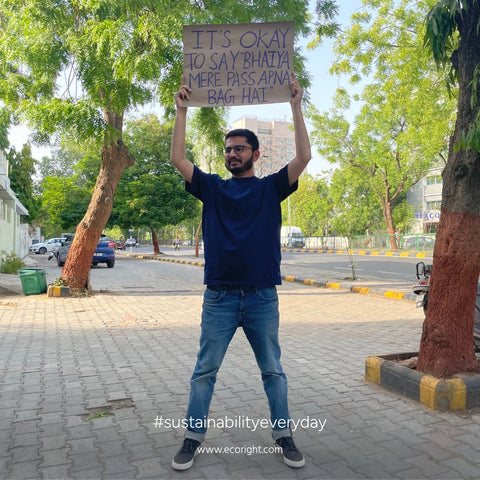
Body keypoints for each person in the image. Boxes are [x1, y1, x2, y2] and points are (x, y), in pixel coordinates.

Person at [169, 73, 311, 471]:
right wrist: (181, 111)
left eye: (240, 149)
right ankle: (192, 438)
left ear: (256, 154)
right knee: (204, 372)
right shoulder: (212, 188)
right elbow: (178, 159)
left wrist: (296, 107)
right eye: (228, 149)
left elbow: (303, 159)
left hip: (262, 296)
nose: (232, 154)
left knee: (273, 371)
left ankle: (284, 436)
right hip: (219, 298)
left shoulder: (270, 188)